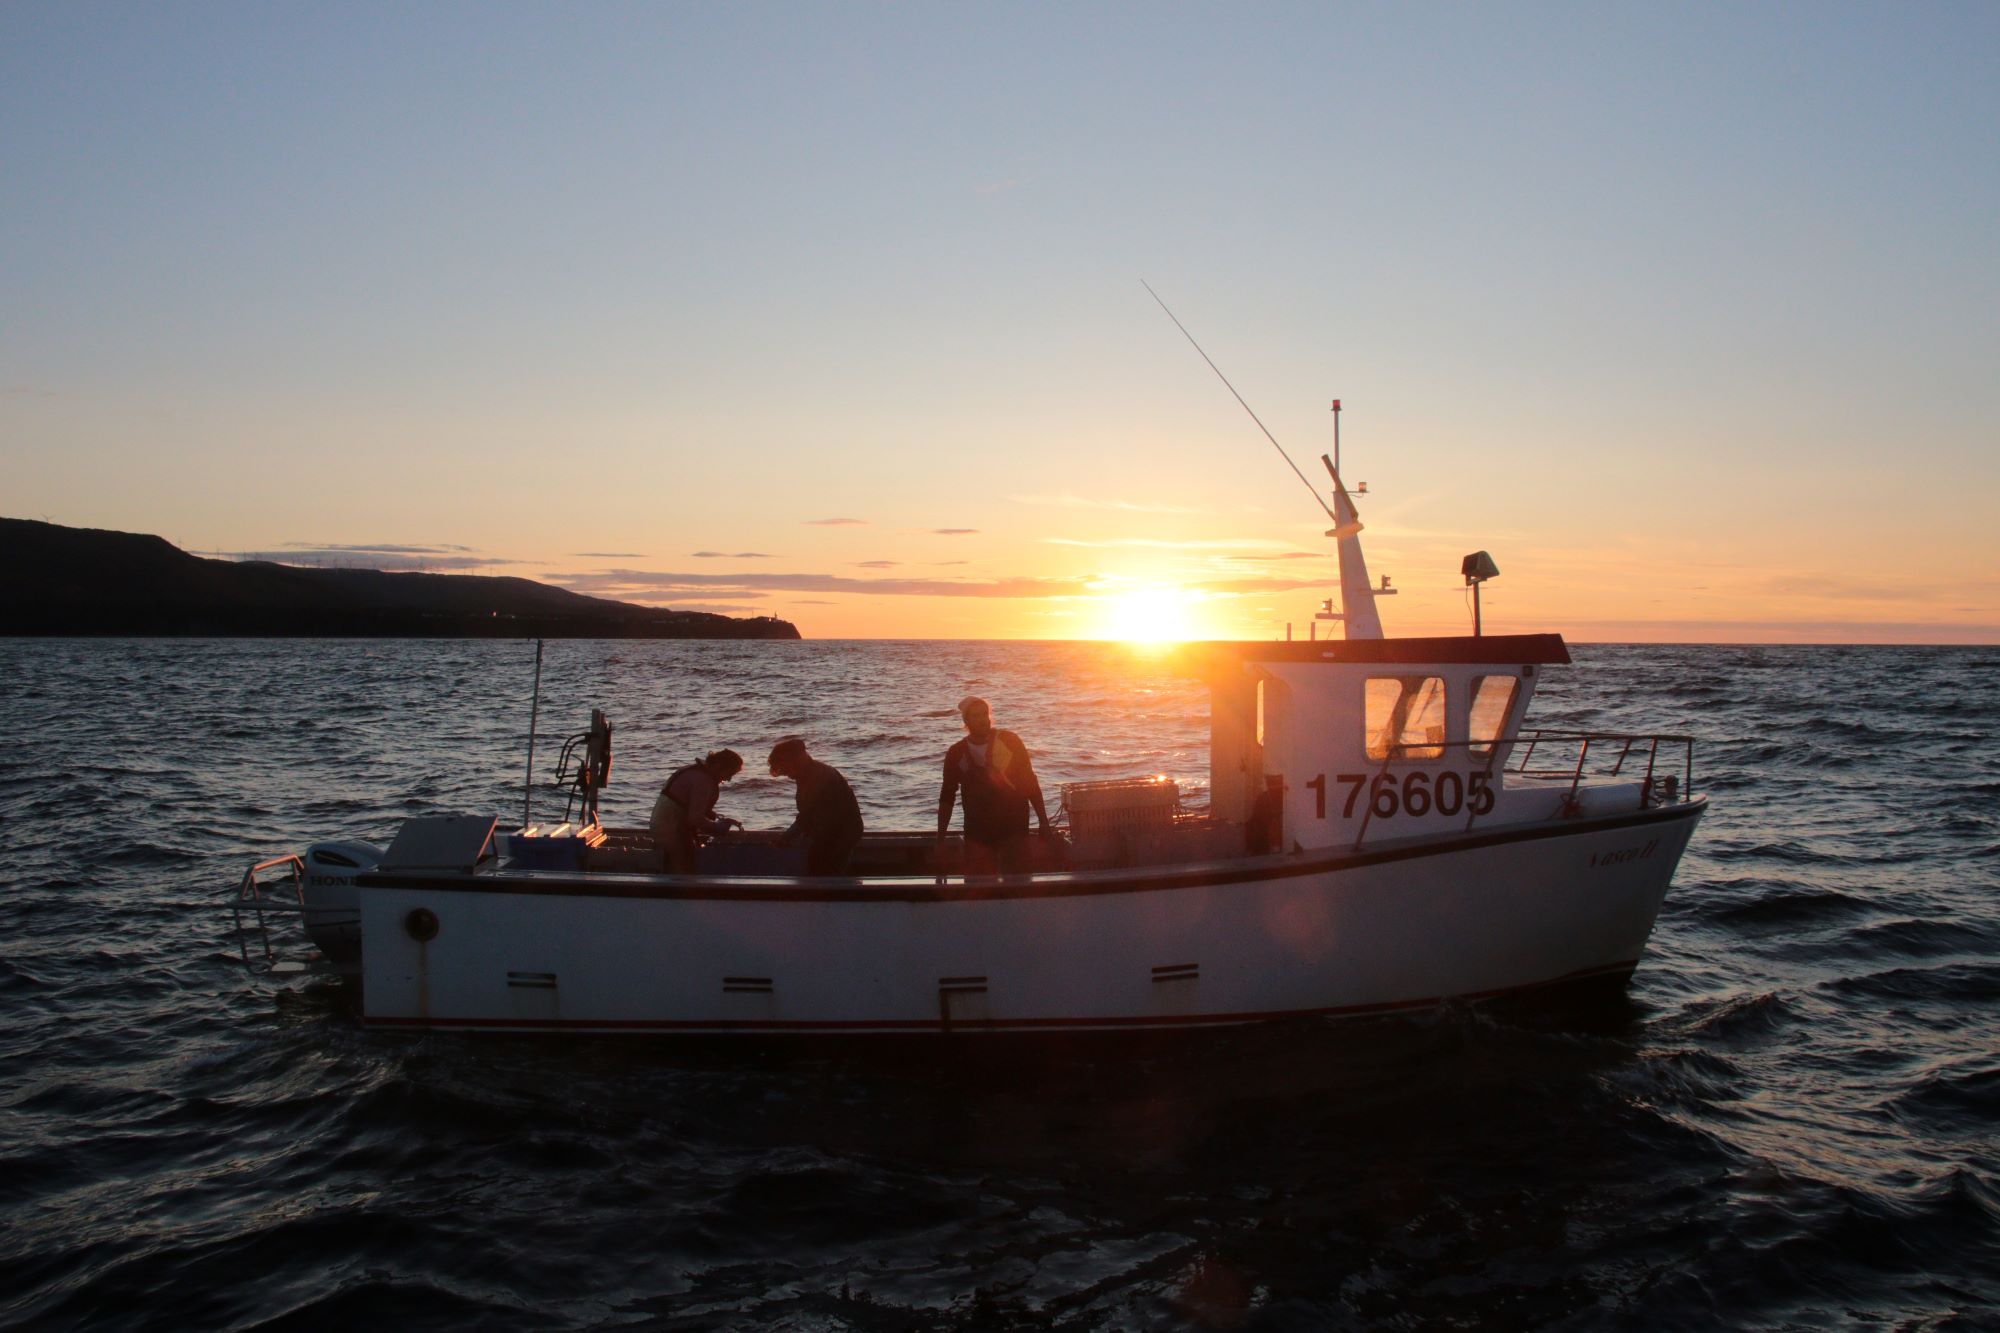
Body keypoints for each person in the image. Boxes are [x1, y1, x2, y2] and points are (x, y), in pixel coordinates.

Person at [936, 696, 1051, 877]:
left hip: (1013, 828)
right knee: (978, 885)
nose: (983, 720)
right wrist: (940, 840)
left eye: (985, 714)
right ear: (966, 721)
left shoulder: (1010, 741)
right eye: (976, 716)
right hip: (977, 832)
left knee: (1018, 883)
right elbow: (947, 797)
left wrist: (1043, 821)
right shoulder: (956, 753)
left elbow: (1030, 782)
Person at [767, 738, 865, 876]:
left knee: (822, 870)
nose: (786, 774)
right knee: (819, 866)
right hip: (832, 830)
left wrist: (787, 837)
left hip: (841, 833)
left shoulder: (817, 777)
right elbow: (809, 814)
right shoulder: (808, 773)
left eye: (785, 769)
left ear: (794, 761)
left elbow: (807, 815)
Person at [652, 749, 743, 874]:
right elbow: (695, 818)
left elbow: (686, 805)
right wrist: (716, 827)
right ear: (720, 766)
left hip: (662, 826)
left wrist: (712, 816)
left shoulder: (696, 771)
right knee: (682, 871)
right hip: (672, 830)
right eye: (730, 773)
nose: (729, 779)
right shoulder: (703, 780)